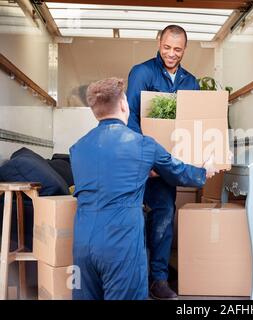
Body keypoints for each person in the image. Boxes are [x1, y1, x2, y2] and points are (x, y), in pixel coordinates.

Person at [70, 77, 217, 300]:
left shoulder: (77, 148)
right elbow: (179, 172)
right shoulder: (142, 145)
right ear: (123, 104)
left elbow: (108, 173)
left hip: (82, 244)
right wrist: (204, 171)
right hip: (120, 244)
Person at [126, 25, 200, 299]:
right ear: (159, 42)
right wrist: (147, 161)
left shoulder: (190, 82)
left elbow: (192, 127)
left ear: (185, 49)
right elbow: (131, 118)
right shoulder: (142, 72)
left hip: (168, 166)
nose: (171, 53)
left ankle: (158, 280)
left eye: (177, 49)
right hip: (139, 163)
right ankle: (134, 277)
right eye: (167, 47)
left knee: (164, 217)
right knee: (132, 217)